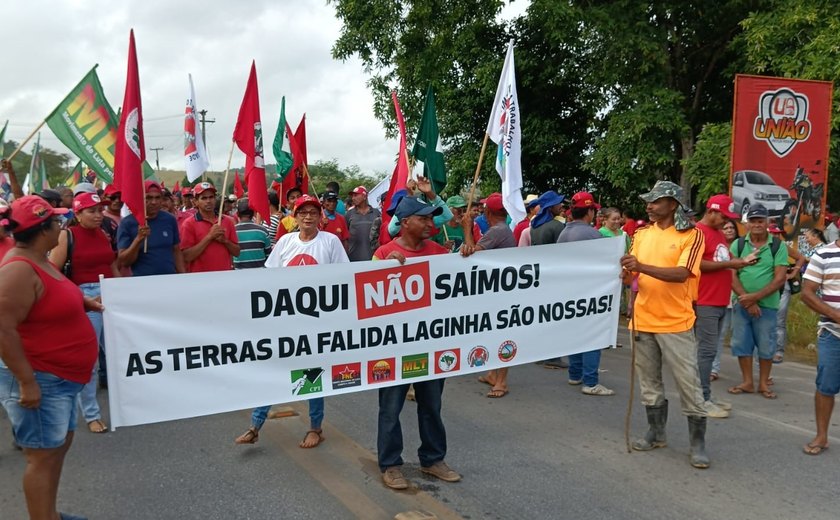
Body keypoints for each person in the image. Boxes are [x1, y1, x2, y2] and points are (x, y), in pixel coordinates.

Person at [0, 195, 100, 520]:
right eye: (56, 221)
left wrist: (79, 303)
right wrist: (27, 382)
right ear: (44, 230)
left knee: (55, 450)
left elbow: (45, 299)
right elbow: (3, 328)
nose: (61, 225)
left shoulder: (38, 258)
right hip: (41, 378)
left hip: (59, 380)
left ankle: (50, 514)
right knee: (42, 457)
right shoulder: (18, 269)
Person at [235, 194, 347, 448]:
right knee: (273, 371)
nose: (308, 216)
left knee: (311, 376)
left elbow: (343, 277)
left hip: (317, 322)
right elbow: (271, 278)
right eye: (303, 212)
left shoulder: (330, 242)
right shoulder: (285, 241)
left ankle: (315, 428)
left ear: (320, 217)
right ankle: (255, 425)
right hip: (285, 321)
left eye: (313, 212)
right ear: (294, 217)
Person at [619, 180, 710, 469]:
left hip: (675, 322)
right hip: (643, 319)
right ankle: (656, 433)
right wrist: (627, 277)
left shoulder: (691, 235)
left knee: (689, 384)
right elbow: (632, 276)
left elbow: (682, 273)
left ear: (673, 204)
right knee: (649, 382)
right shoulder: (641, 234)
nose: (650, 205)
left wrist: (640, 268)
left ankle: (697, 443)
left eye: (656, 201)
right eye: (649, 200)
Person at [373, 196, 460, 490]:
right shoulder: (384, 253)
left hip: (432, 345)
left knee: (431, 406)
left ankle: (433, 459)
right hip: (392, 348)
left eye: (431, 218)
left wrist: (472, 251)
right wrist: (381, 269)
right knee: (390, 408)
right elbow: (364, 298)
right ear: (405, 222)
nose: (430, 223)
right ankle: (390, 464)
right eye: (423, 219)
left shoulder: (439, 252)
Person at [49, 192, 119, 434]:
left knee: (117, 354)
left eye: (101, 210)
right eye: (92, 211)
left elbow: (111, 264)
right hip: (86, 300)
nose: (99, 215)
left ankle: (125, 408)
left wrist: (122, 290)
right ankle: (91, 414)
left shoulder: (103, 234)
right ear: (77, 214)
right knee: (90, 361)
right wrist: (82, 298)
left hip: (111, 296)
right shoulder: (65, 236)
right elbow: (54, 273)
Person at [694, 194, 756, 419]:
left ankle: (706, 394)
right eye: (724, 216)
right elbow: (696, 264)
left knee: (711, 351)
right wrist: (731, 262)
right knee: (706, 351)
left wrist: (742, 295)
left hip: (721, 301)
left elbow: (728, 268)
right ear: (711, 211)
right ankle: (701, 398)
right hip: (705, 301)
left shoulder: (719, 234)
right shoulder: (697, 233)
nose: (726, 222)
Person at [556, 192, 616, 396]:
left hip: (568, 292)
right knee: (593, 337)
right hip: (589, 293)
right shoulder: (593, 235)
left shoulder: (564, 233)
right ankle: (590, 382)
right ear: (590, 211)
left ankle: (575, 374)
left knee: (576, 334)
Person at [727, 204, 788, 399]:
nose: (757, 225)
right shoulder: (738, 244)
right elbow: (731, 274)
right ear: (747, 224)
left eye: (760, 221)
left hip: (767, 305)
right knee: (741, 342)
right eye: (753, 221)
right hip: (742, 303)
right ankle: (747, 382)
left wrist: (755, 298)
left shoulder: (777, 246)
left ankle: (763, 383)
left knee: (766, 344)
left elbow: (779, 278)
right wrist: (747, 300)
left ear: (768, 223)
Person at [460, 193, 516, 398]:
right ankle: (493, 374)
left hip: (502, 293)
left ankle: (501, 382)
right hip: (499, 290)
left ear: (487, 211)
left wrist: (467, 229)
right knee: (495, 332)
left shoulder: (498, 231)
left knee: (503, 334)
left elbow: (472, 254)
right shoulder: (500, 230)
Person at [800, 233, 840, 455]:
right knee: (826, 385)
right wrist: (835, 314)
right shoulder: (823, 254)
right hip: (833, 332)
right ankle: (822, 436)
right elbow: (806, 293)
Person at [117, 180, 186, 276]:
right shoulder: (127, 223)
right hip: (142, 283)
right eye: (148, 197)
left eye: (157, 198)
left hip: (169, 280)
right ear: (140, 198)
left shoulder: (169, 219)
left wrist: (183, 276)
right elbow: (124, 261)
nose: (154, 202)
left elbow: (176, 250)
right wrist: (138, 239)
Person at [531, 191, 567, 369]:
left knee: (542, 316)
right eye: (557, 203)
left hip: (538, 275)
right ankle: (553, 356)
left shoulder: (534, 225)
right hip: (554, 276)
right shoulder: (556, 226)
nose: (561, 206)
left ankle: (540, 352)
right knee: (555, 316)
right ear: (550, 207)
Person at [180, 182, 240, 273]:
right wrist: (209, 237)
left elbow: (237, 252)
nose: (208, 201)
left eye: (211, 197)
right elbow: (186, 257)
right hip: (200, 279)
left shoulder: (227, 221)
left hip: (225, 276)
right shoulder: (188, 224)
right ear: (195, 202)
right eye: (204, 198)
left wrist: (225, 241)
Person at [769, 224, 806, 364]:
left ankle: (778, 351)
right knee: (766, 319)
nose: (776, 236)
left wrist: (794, 272)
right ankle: (766, 350)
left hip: (782, 286)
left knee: (779, 320)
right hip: (765, 286)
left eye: (778, 234)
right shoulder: (761, 246)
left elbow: (801, 257)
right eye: (773, 233)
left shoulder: (782, 246)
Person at [711, 219, 741, 380]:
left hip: (737, 296)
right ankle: (712, 369)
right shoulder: (715, 246)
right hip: (717, 296)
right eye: (725, 227)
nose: (729, 230)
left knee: (734, 335)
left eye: (731, 227)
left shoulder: (741, 247)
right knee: (716, 334)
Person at [233, 199, 271, 269]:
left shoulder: (232, 231)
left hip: (238, 274)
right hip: (260, 274)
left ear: (237, 214)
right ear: (253, 213)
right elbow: (269, 256)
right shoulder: (263, 231)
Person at [345, 185, 380, 261]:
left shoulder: (376, 213)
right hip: (353, 258)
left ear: (364, 196)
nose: (353, 198)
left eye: (356, 195)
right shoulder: (349, 214)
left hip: (374, 258)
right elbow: (345, 237)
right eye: (352, 196)